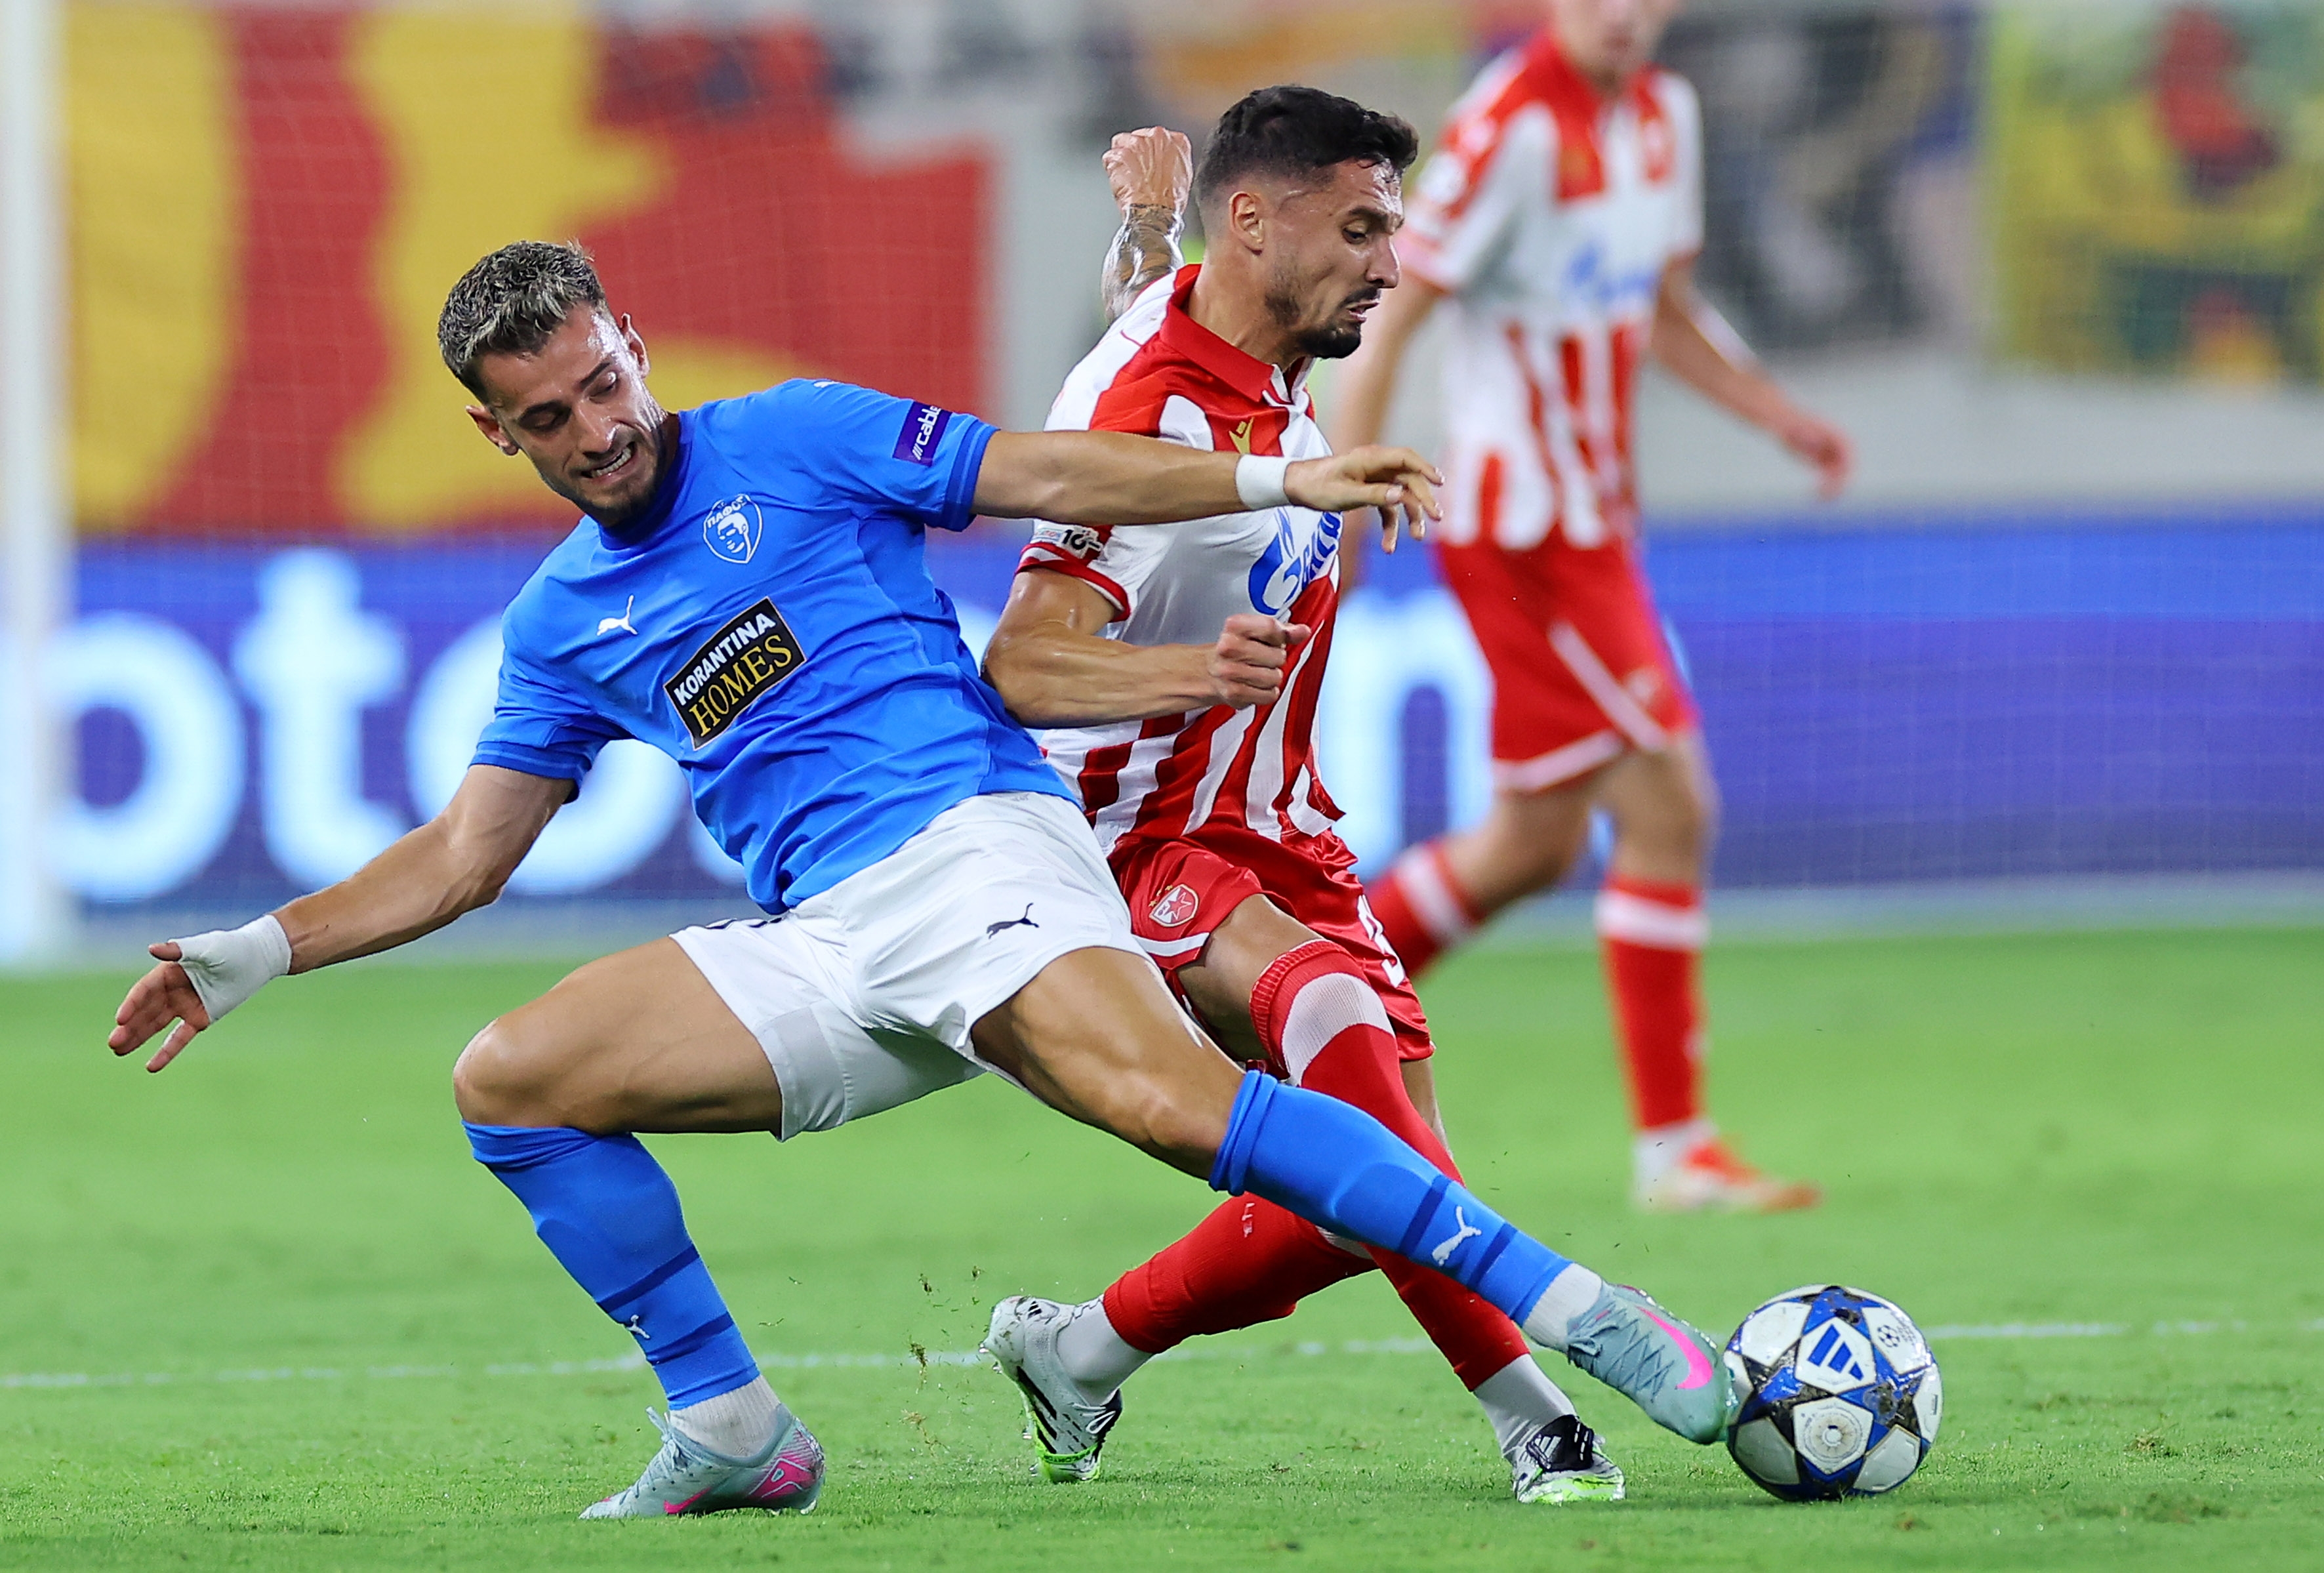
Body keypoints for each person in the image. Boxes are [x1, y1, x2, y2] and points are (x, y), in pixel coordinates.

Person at [105, 240, 1735, 1522]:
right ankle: (732, 1431)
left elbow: (1051, 472)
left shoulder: (799, 439)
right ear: (495, 428)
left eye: (605, 384)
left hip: (973, 845)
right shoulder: (558, 621)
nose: (597, 432)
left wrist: (1274, 477)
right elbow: (466, 853)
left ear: (634, 346)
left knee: (1177, 1108)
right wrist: (257, 946)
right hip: (826, 940)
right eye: (549, 417)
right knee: (511, 1079)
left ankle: (1570, 1302)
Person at [977, 94, 1620, 1505]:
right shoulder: (1141, 410)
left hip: (1280, 826)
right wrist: (1190, 669)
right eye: (1361, 226)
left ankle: (1081, 1350)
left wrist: (1146, 225)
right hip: (1128, 832)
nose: (1388, 262)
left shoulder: (1252, 337)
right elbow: (1019, 663)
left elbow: (1155, 305)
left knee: (1384, 1175)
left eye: (1389, 226)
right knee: (1338, 1045)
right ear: (1257, 221)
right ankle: (1534, 1416)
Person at [1328, 0, 1851, 1213]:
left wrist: (1776, 412)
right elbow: (1397, 301)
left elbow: (1664, 307)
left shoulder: (1668, 117)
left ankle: (1299, 997)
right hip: (1526, 534)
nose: (1620, 15)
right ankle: (1676, 1153)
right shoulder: (1506, 127)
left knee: (1534, 843)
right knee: (1673, 805)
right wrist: (1351, 483)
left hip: (1598, 526)